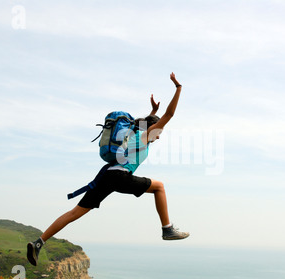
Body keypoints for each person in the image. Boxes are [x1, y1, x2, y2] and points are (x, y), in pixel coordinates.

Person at [27, 73, 189, 266]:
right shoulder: (145, 136)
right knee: (159, 187)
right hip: (120, 176)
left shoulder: (132, 134)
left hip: (107, 175)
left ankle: (39, 242)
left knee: (74, 213)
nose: (160, 136)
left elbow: (145, 122)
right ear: (153, 127)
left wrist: (152, 111)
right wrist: (178, 88)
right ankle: (167, 229)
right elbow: (169, 115)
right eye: (159, 131)